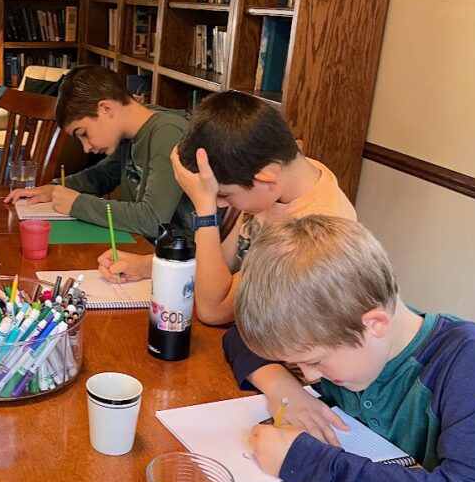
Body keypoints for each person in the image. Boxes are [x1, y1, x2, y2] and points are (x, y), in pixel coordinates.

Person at [232, 215, 475, 482]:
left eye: (315, 361)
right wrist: (284, 390)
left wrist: (308, 463)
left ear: (375, 324)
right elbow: (236, 339)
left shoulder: (469, 359)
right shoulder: (352, 341)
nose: (308, 376)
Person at [97, 91, 354, 326]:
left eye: (224, 194)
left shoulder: (310, 233)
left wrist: (205, 209)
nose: (220, 202)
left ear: (266, 178)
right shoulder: (277, 178)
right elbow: (225, 265)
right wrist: (151, 266)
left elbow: (214, 310)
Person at [3, 65, 193, 241]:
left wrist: (76, 204)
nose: (86, 147)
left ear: (106, 109)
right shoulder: (131, 131)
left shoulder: (167, 132)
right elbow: (103, 175)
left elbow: (152, 220)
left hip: (177, 262)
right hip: (144, 247)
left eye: (84, 133)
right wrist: (55, 188)